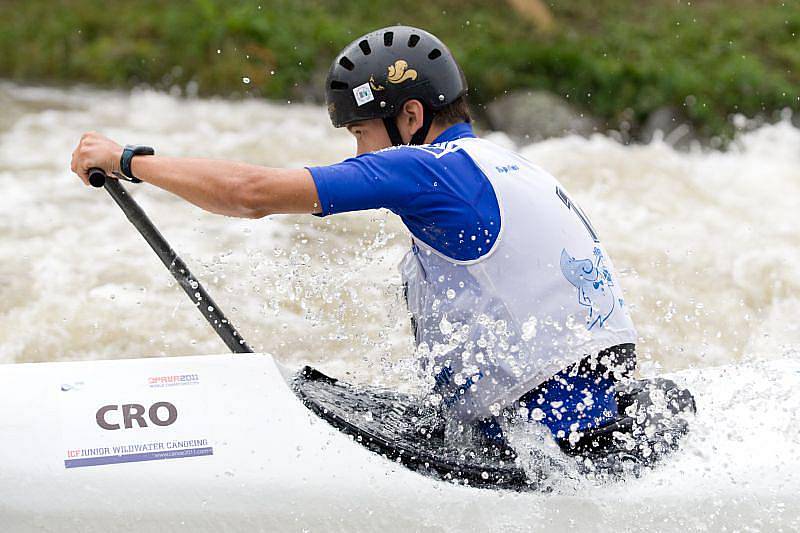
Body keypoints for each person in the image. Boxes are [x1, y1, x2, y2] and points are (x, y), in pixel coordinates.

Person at [71, 26, 637, 451]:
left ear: (410, 116)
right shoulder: (508, 165)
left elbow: (250, 193)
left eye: (361, 132)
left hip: (558, 437)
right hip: (601, 408)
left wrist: (128, 160)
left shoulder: (426, 168)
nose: (358, 153)